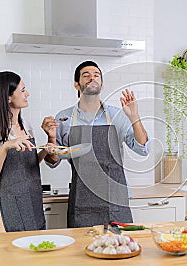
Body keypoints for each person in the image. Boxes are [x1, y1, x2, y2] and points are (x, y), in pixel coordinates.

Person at [42, 61, 149, 228]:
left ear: (102, 84)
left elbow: (142, 148)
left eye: (96, 75)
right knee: (81, 250)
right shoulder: (63, 118)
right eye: (86, 75)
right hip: (81, 201)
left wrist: (134, 116)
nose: (92, 78)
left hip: (115, 199)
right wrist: (51, 138)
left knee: (120, 249)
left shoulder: (117, 115)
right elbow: (54, 160)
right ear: (76, 85)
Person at [0, 71, 53, 232]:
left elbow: (26, 163)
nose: (28, 93)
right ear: (7, 97)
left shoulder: (26, 125)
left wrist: (45, 150)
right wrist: (5, 147)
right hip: (11, 205)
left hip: (33, 201)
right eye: (23, 90)